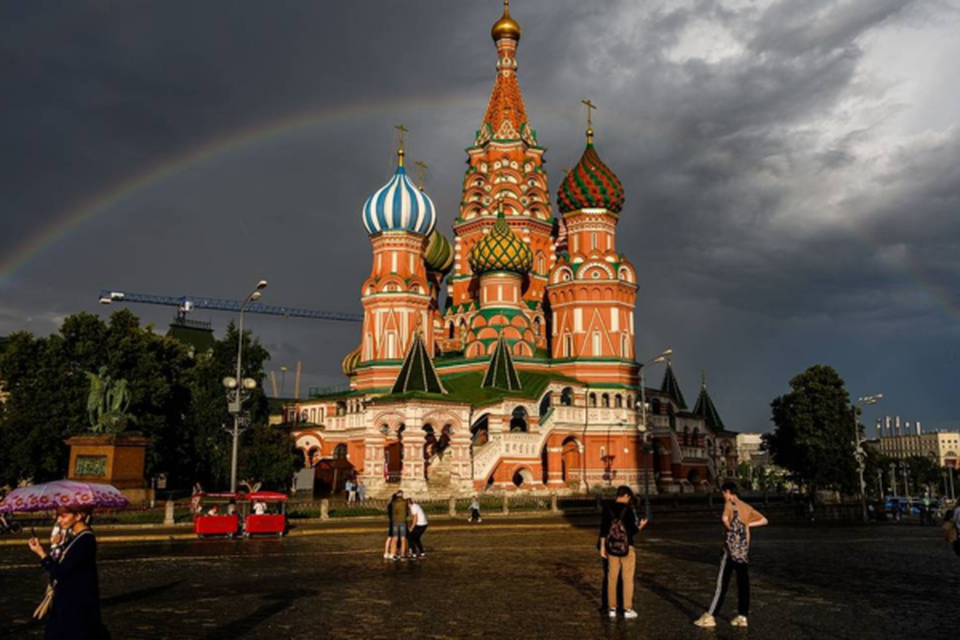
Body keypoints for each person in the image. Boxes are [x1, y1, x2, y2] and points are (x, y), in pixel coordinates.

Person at [695, 481, 769, 629]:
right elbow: (764, 520)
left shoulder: (730, 503)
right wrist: (747, 525)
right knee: (743, 583)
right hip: (743, 550)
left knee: (722, 584)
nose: (723, 496)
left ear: (728, 492)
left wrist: (731, 530)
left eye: (723, 493)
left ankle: (710, 616)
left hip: (729, 550)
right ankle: (742, 616)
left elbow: (724, 518)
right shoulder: (746, 507)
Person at [28, 505, 104, 639]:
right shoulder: (75, 537)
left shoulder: (85, 540)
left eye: (63, 516)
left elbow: (59, 572)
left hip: (74, 606)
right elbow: (62, 563)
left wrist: (41, 553)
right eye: (58, 516)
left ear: (78, 516)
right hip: (68, 603)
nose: (58, 520)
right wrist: (56, 546)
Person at [599, 486, 647, 619]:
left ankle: (612, 608)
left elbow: (603, 529)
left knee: (611, 578)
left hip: (611, 547)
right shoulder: (629, 510)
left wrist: (603, 547)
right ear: (625, 495)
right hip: (627, 547)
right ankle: (627, 609)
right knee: (627, 578)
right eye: (629, 497)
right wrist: (640, 527)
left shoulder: (607, 509)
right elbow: (632, 530)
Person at [388, 491, 410, 560]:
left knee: (395, 538)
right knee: (403, 539)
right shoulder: (405, 502)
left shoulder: (393, 503)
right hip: (403, 522)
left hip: (395, 522)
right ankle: (402, 554)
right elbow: (407, 512)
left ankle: (394, 554)